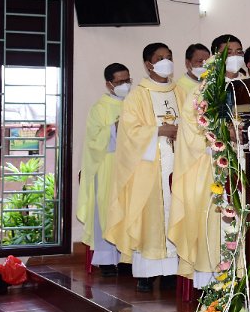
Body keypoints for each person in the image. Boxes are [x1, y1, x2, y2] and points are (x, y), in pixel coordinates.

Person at [170, 34, 244, 289]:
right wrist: (223, 134)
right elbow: (192, 131)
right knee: (215, 222)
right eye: (228, 52)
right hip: (212, 165)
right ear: (215, 57)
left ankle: (242, 277)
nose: (234, 57)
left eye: (238, 51)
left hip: (246, 162)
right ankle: (212, 280)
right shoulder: (202, 91)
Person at [105, 43, 180, 292]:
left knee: (175, 212)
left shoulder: (180, 92)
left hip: (177, 164)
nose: (166, 61)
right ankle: (146, 275)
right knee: (149, 219)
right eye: (160, 58)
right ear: (149, 64)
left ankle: (171, 272)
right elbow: (128, 132)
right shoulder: (137, 95)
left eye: (169, 57)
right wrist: (159, 130)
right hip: (149, 167)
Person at [77, 63, 130, 277]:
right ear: (109, 84)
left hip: (130, 165)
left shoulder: (135, 103)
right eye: (120, 82)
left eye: (128, 80)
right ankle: (107, 259)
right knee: (106, 211)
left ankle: (127, 258)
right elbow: (93, 140)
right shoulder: (100, 108)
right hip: (108, 164)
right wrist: (114, 129)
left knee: (129, 211)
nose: (125, 85)